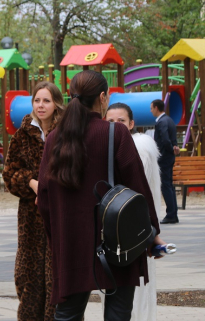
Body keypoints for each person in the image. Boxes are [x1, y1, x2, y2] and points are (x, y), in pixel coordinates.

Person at [37, 70, 165, 321]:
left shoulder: (54, 139)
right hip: (117, 237)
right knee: (118, 313)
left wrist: (58, 238)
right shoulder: (116, 134)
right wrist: (152, 233)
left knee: (68, 314)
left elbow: (44, 198)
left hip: (71, 240)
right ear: (103, 97)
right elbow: (138, 189)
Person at [3, 81, 64, 321]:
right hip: (31, 215)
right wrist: (31, 182)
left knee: (59, 275)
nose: (41, 105)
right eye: (37, 100)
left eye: (46, 100)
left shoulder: (67, 133)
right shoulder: (22, 134)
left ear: (56, 103)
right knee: (29, 276)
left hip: (61, 213)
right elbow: (9, 173)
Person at [106, 103, 162, 321]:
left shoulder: (140, 149)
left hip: (133, 226)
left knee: (133, 286)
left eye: (120, 121)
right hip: (112, 227)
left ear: (131, 124)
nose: (115, 126)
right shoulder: (106, 147)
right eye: (110, 122)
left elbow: (138, 192)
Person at [150, 99, 180, 224]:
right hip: (170, 157)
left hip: (163, 157)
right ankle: (173, 213)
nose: (151, 111)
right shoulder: (169, 120)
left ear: (156, 108)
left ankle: (171, 214)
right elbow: (172, 139)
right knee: (169, 185)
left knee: (165, 185)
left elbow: (165, 139)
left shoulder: (161, 122)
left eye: (151, 108)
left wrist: (169, 149)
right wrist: (174, 148)